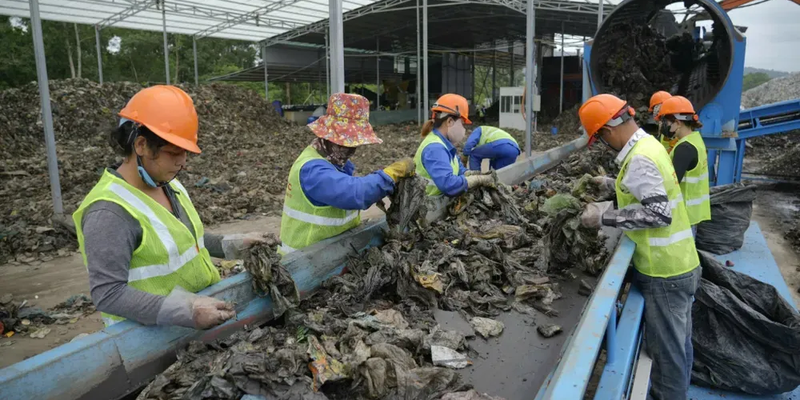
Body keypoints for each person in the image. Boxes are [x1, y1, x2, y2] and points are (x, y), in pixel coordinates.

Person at [74, 86, 262, 330]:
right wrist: (187, 311)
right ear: (141, 145)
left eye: (185, 152)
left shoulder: (166, 182)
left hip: (194, 325)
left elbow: (186, 242)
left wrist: (236, 243)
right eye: (174, 152)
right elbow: (108, 293)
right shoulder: (109, 212)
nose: (182, 162)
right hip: (147, 340)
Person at [578, 94, 700, 400]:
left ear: (607, 132)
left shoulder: (640, 157)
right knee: (680, 346)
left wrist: (603, 217)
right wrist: (609, 183)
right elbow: (644, 187)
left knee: (668, 355)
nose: (605, 146)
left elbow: (658, 214)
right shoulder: (649, 145)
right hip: (681, 262)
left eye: (601, 140)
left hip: (665, 271)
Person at [279, 93, 414, 255]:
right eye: (344, 141)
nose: (350, 149)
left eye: (353, 143)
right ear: (327, 136)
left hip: (331, 254)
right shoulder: (312, 169)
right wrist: (390, 175)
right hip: (303, 262)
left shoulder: (337, 163)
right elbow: (355, 193)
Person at [414, 94, 495, 197]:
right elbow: (449, 185)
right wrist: (477, 180)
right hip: (427, 209)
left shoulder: (445, 145)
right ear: (449, 121)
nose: (463, 129)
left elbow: (459, 170)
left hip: (437, 206)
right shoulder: (435, 148)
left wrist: (472, 174)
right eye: (462, 123)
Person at [656, 96, 711, 234]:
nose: (665, 126)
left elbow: (670, 184)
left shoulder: (684, 148)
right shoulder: (695, 140)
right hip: (693, 213)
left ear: (678, 122)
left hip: (684, 214)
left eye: (666, 122)